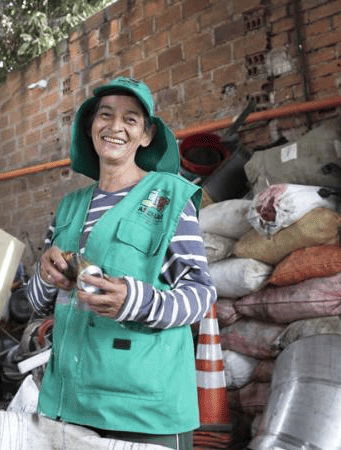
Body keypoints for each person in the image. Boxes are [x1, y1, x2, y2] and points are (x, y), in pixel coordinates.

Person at [26, 77, 217, 449]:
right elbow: (37, 304)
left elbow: (201, 294)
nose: (115, 127)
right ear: (90, 127)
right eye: (105, 115)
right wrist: (46, 275)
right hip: (70, 402)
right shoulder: (69, 207)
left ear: (146, 136)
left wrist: (136, 301)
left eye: (130, 119)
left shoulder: (168, 198)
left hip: (144, 410)